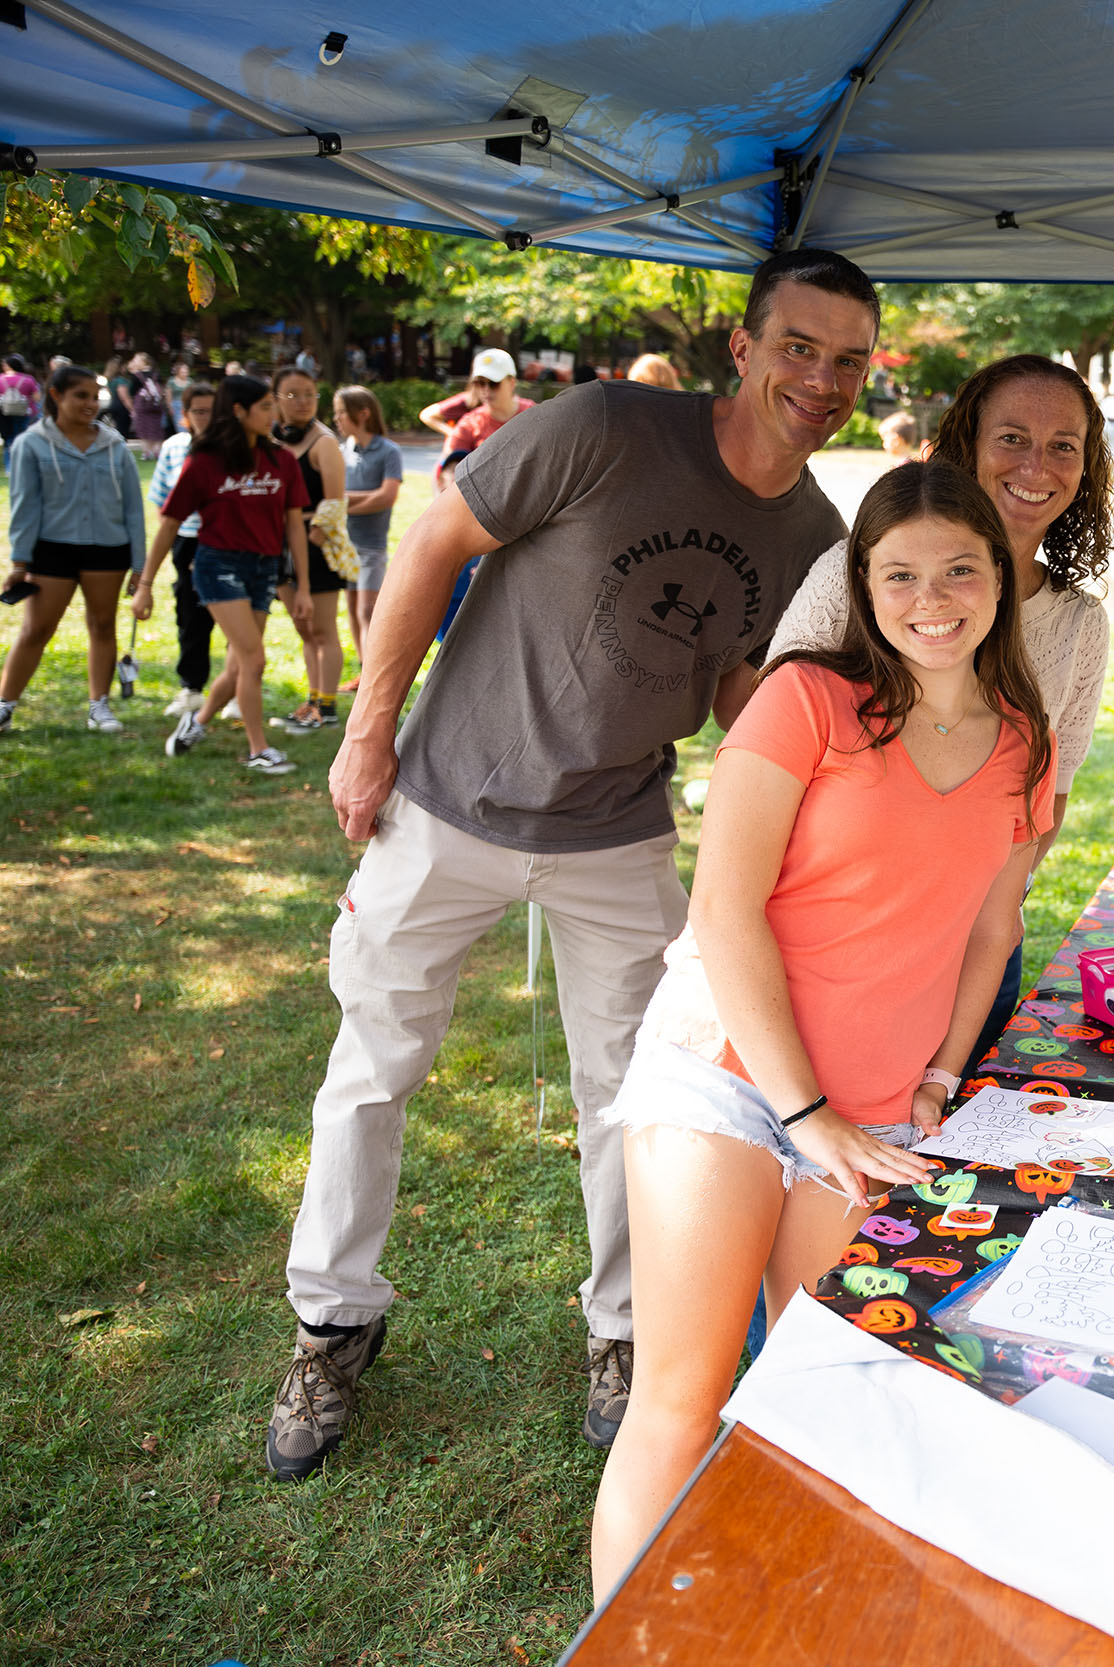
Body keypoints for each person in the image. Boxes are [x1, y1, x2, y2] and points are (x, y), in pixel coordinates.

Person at [260, 247, 878, 1483]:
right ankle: (333, 1319)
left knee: (641, 1103)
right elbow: (432, 546)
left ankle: (625, 1332)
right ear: (745, 349)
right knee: (369, 1071)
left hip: (617, 836)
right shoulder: (601, 425)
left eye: (848, 359)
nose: (820, 377)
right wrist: (368, 730)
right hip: (445, 802)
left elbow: (734, 698)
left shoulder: (817, 534)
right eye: (797, 347)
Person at [587, 459, 1051, 1595]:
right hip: (729, 1078)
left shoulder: (1023, 746)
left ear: (999, 579)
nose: (929, 597)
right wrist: (805, 1110)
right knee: (683, 1396)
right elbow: (721, 907)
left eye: (958, 569)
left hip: (881, 1105)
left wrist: (939, 1073)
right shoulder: (805, 699)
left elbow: (991, 929)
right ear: (861, 583)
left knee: (821, 1394)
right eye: (898, 573)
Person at [771, 352, 1113, 1066]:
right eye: (1012, 437)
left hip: (971, 953)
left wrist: (981, 917)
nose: (1037, 465)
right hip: (825, 941)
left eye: (1063, 447)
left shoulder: (1078, 624)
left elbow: (1050, 797)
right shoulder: (857, 574)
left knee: (940, 1154)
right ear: (966, 446)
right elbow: (777, 734)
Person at [132, 374, 311, 773]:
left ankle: (195, 723)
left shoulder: (281, 460)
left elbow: (294, 525)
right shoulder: (205, 462)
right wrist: (145, 585)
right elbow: (168, 525)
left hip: (264, 569)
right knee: (253, 659)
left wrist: (303, 587)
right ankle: (258, 750)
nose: (274, 413)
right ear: (238, 410)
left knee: (238, 666)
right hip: (218, 566)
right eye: (265, 406)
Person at [0, 364, 146, 737]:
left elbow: (132, 507)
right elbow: (24, 507)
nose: (90, 404)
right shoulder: (31, 444)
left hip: (107, 550)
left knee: (102, 625)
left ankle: (99, 705)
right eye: (81, 396)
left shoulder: (114, 445)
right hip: (52, 551)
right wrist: (20, 562)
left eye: (95, 397)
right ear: (55, 395)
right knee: (36, 629)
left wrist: (139, 565)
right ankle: (5, 704)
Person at [270, 367, 352, 733]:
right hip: (277, 542)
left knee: (322, 630)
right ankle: (312, 699)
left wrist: (310, 542)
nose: (302, 402)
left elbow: (334, 503)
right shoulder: (271, 440)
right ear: (275, 400)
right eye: (292, 394)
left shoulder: (324, 442)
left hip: (313, 546)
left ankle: (328, 706)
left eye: (309, 394)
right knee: (303, 630)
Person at [146, 381, 222, 718]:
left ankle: (234, 690)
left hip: (227, 542)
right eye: (198, 411)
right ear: (185, 415)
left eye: (212, 411)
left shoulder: (235, 448)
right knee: (190, 615)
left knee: (243, 619)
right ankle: (191, 686)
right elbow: (164, 502)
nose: (206, 418)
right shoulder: (175, 447)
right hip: (187, 539)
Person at [332, 385, 403, 681]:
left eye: (341, 413)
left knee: (367, 610)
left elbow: (386, 497)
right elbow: (333, 496)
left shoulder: (388, 451)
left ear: (362, 414)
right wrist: (357, 499)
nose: (336, 419)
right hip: (344, 545)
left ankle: (374, 672)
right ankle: (364, 670)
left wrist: (343, 503)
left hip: (371, 546)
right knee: (351, 607)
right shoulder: (341, 450)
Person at [434, 348, 530, 489]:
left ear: (512, 382)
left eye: (493, 383)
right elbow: (448, 470)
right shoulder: (470, 423)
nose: (486, 390)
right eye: (479, 383)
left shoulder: (534, 416)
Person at [127, 353, 170, 456]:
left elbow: (132, 391)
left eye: (136, 360)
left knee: (144, 429)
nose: (134, 361)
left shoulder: (137, 376)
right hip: (156, 406)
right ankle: (157, 451)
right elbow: (163, 389)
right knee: (156, 429)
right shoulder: (156, 374)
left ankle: (147, 452)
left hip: (142, 406)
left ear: (143, 361)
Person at [1, 355, 41, 447]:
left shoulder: (0, 379)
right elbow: (37, 398)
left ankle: (9, 460)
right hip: (25, 412)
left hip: (5, 413)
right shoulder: (28, 379)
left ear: (8, 366)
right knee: (24, 437)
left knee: (9, 439)